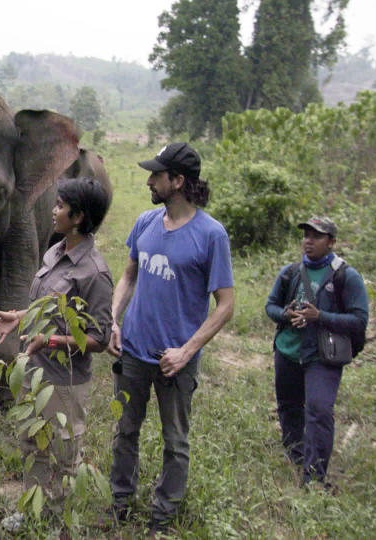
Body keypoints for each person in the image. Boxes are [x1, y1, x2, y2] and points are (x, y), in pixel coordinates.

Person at [103, 142, 234, 536]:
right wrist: (113, 320)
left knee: (175, 441)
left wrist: (187, 351)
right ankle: (119, 502)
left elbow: (225, 305)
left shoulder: (211, 235)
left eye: (157, 175)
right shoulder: (145, 222)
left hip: (175, 359)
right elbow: (129, 274)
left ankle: (163, 515)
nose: (149, 180)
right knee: (125, 430)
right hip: (134, 352)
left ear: (178, 181)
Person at [0, 177, 114, 532]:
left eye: (59, 206)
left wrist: (51, 341)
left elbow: (99, 339)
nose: (53, 211)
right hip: (36, 372)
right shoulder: (55, 253)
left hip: (64, 382)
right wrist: (20, 317)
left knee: (62, 454)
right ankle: (32, 512)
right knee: (32, 443)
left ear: (79, 216)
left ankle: (57, 523)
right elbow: (51, 309)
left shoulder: (95, 273)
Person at [264, 217, 368, 488]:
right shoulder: (291, 272)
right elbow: (271, 306)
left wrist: (319, 316)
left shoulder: (346, 276)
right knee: (289, 408)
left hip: (323, 355)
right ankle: (296, 458)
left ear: (331, 242)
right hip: (287, 351)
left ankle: (315, 477)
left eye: (316, 236)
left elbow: (359, 320)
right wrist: (287, 315)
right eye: (306, 235)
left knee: (319, 411)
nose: (308, 241)